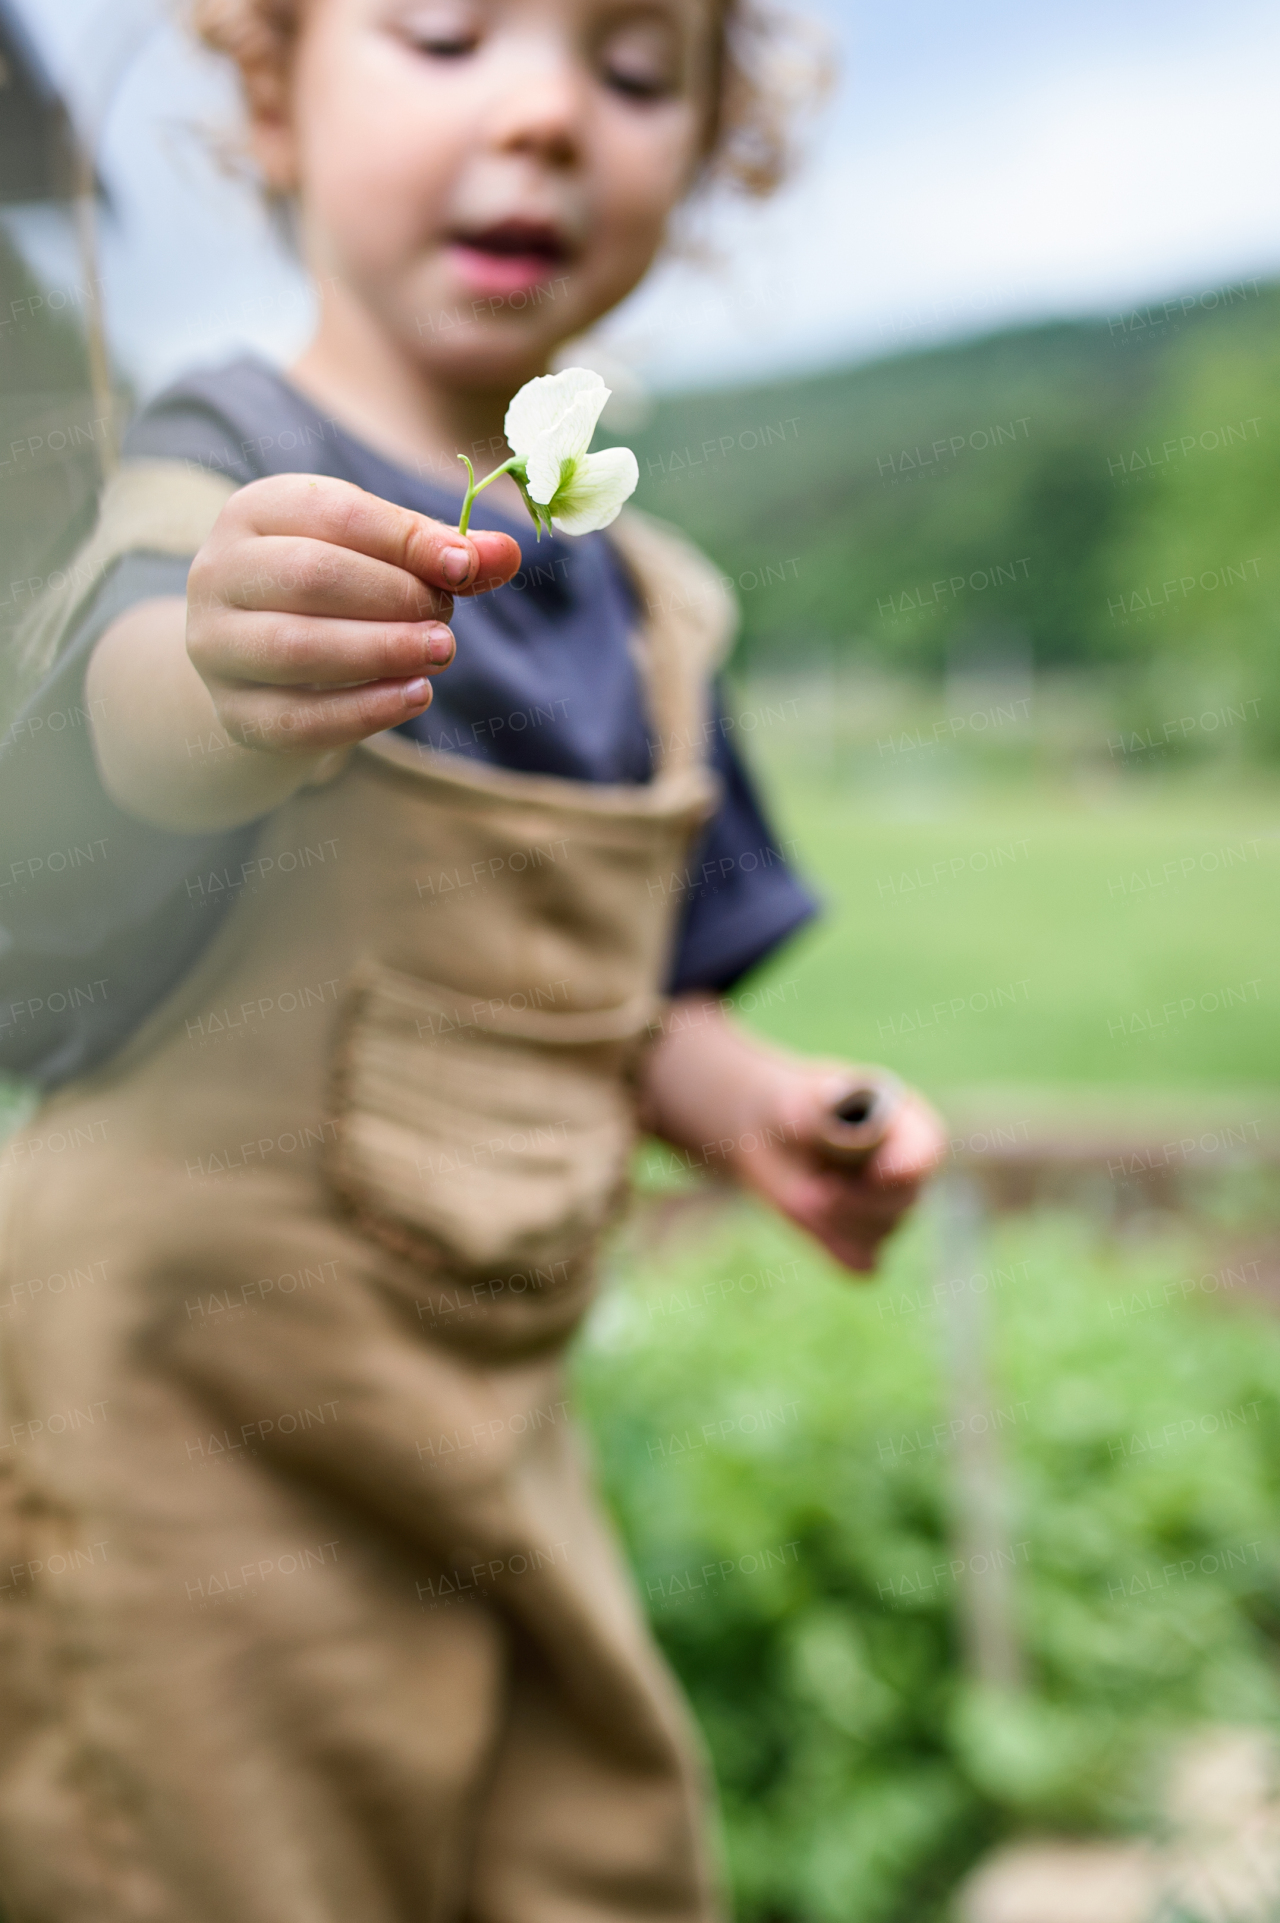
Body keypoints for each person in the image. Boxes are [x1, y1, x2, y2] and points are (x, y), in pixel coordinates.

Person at [0, 2, 945, 1916]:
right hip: (184, 1463)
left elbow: (630, 1000)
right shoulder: (225, 477)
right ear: (269, 99)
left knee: (591, 1852)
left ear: (706, 150)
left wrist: (762, 1110)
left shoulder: (648, 605)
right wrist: (214, 677)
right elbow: (102, 749)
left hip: (478, 1455)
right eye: (444, 31)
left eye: (630, 68)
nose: (540, 116)